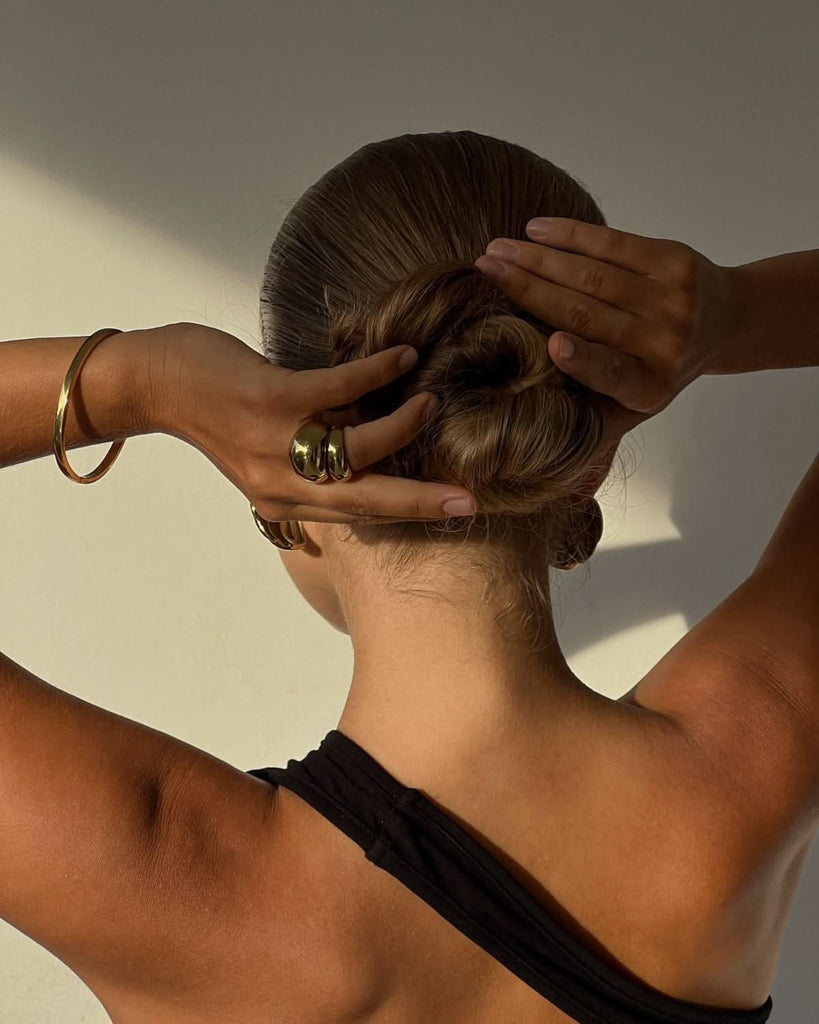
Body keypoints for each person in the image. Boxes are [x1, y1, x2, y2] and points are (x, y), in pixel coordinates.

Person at [0, 129, 816, 1022]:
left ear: (286, 466)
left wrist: (141, 381)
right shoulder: (751, 766)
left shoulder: (162, 871)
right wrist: (735, 312)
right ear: (578, 461)